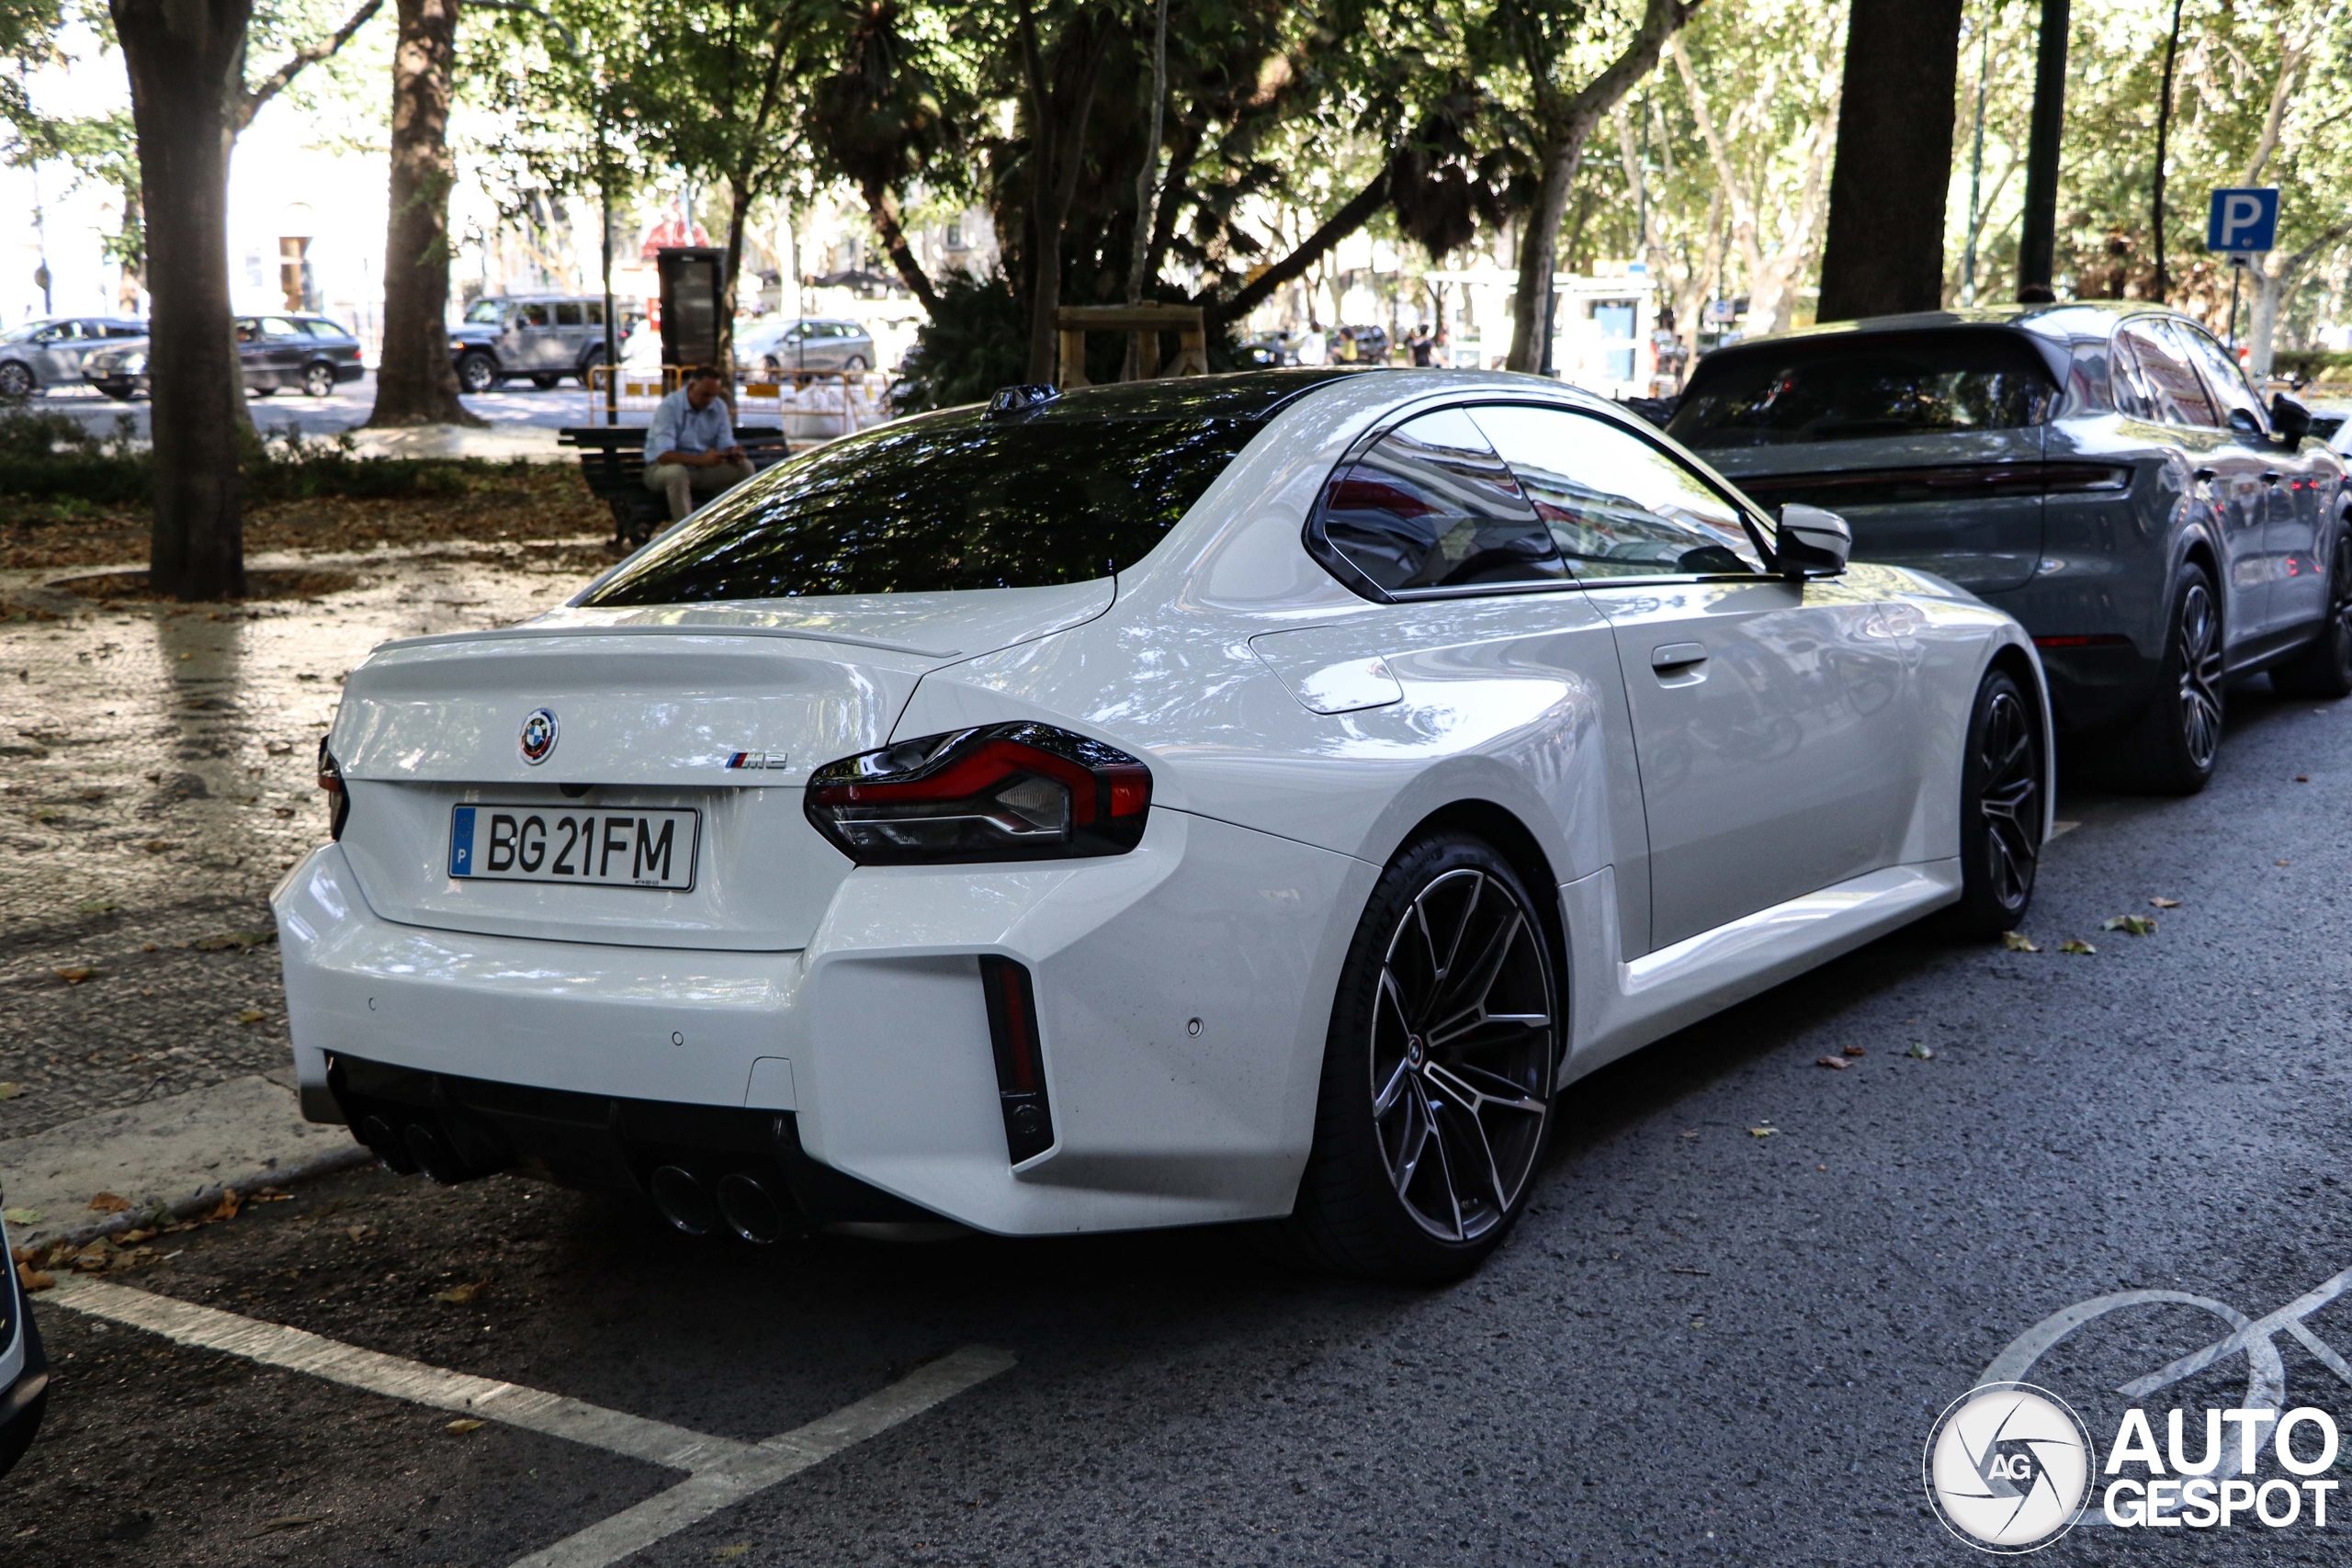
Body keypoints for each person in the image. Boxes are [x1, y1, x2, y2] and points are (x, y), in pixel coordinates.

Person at [642, 366, 753, 524]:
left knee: (746, 468)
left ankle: (737, 524)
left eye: (713, 396)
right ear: (692, 386)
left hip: (702, 469)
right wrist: (701, 460)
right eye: (705, 395)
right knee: (676, 473)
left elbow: (725, 441)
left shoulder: (718, 406)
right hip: (661, 470)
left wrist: (732, 452)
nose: (709, 401)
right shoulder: (670, 407)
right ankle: (684, 532)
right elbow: (663, 456)